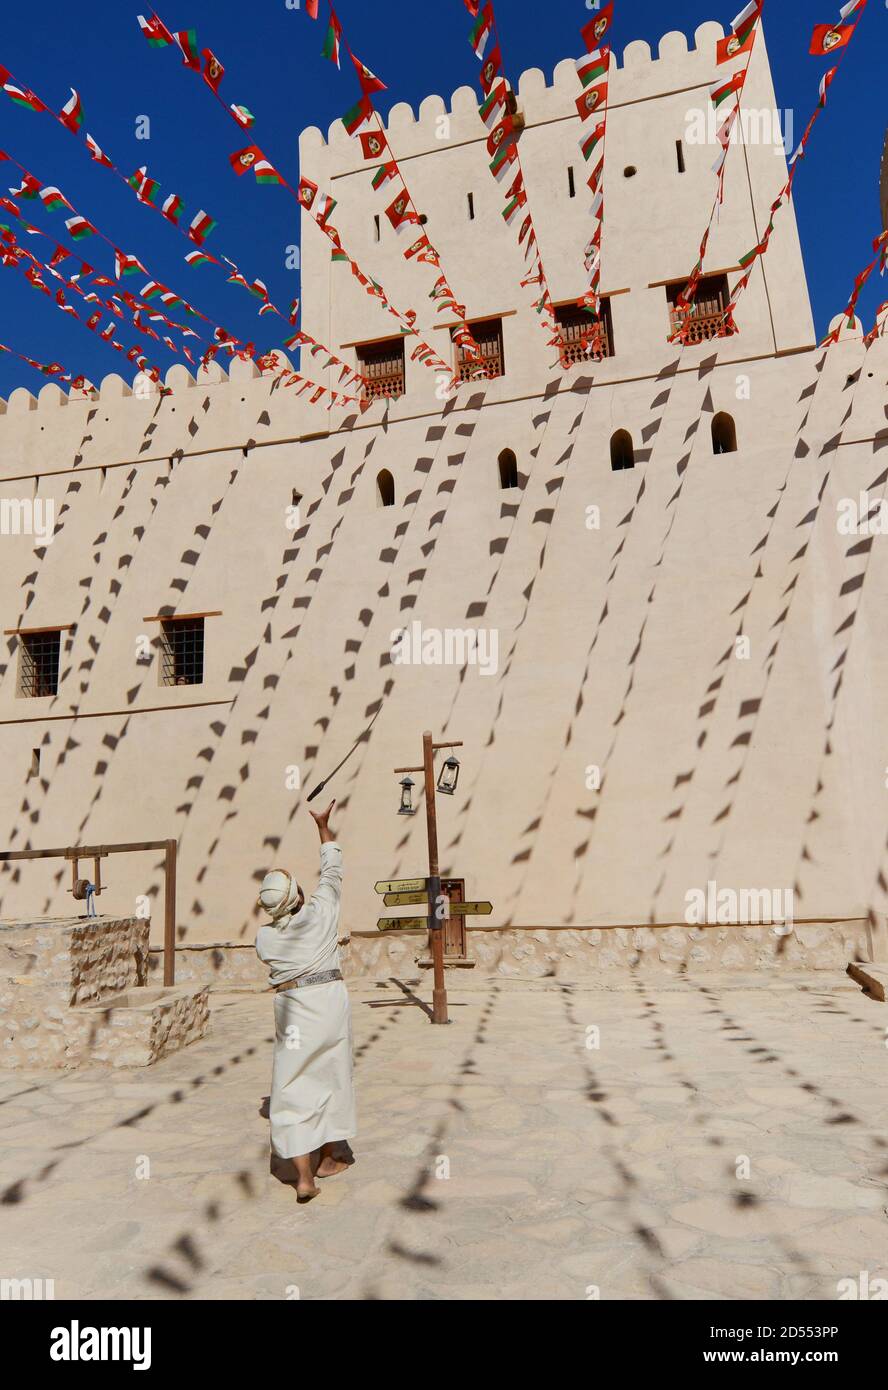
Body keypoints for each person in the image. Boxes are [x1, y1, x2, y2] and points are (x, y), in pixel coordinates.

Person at [255, 800, 355, 1202]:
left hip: (293, 1008)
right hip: (329, 1001)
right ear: (296, 896)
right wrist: (323, 828)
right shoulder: (321, 912)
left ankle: (304, 1178)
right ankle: (329, 1158)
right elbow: (332, 870)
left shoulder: (265, 938)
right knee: (332, 1074)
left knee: (293, 1086)